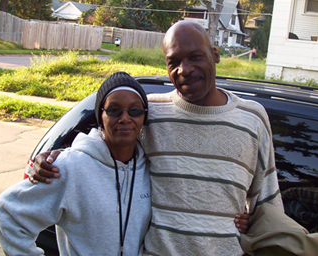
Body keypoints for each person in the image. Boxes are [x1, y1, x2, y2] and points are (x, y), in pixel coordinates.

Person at [32, 21, 282, 255]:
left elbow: (268, 203)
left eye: (195, 57)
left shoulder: (252, 118)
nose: (184, 69)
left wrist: (255, 222)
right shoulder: (151, 113)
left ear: (215, 54)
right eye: (173, 62)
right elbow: (105, 146)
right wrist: (58, 158)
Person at [0, 72, 151, 255]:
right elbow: (8, 212)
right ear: (101, 116)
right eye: (114, 110)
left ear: (143, 117)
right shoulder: (71, 167)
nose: (125, 118)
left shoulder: (149, 168)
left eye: (135, 111)